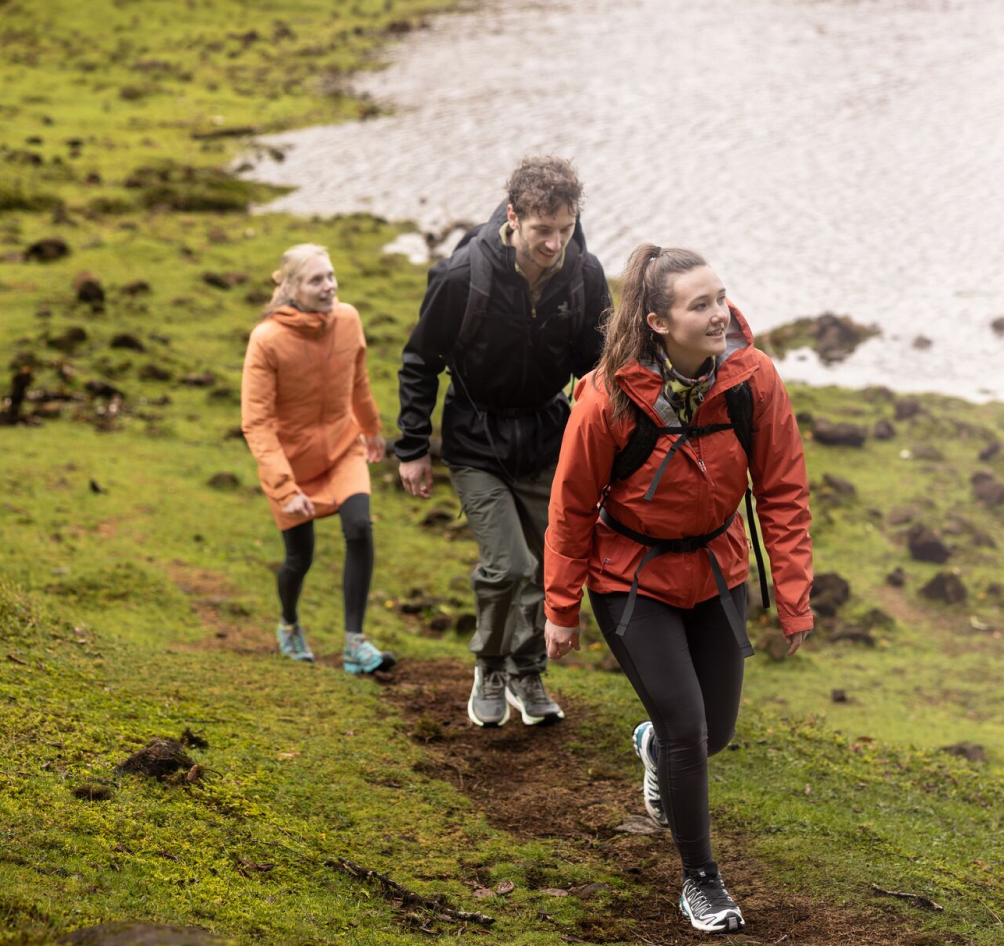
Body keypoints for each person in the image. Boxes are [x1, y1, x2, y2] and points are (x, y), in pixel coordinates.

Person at [541, 244, 813, 934]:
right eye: (701, 304)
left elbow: (782, 491)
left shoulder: (753, 381)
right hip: (632, 580)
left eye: (721, 298)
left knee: (711, 732)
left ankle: (656, 748)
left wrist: (793, 596)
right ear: (659, 321)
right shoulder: (607, 398)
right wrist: (561, 608)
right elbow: (571, 508)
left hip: (719, 571)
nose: (720, 313)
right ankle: (702, 882)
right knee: (690, 728)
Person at [395, 156, 609, 726]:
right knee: (509, 565)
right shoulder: (461, 276)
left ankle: (527, 670)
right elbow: (420, 361)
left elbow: (598, 371)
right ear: (514, 217)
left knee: (549, 564)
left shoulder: (585, 276)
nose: (555, 243)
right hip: (475, 441)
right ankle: (489, 665)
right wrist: (413, 446)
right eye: (543, 231)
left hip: (546, 437)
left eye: (565, 229)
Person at [241, 243, 396, 676]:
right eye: (316, 280)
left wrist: (371, 429)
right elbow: (256, 423)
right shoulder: (266, 339)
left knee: (360, 528)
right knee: (299, 558)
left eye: (331, 276)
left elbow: (358, 379)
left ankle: (355, 644)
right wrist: (284, 488)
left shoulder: (348, 320)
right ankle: (289, 624)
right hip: (288, 461)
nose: (328, 286)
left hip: (343, 446)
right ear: (291, 288)